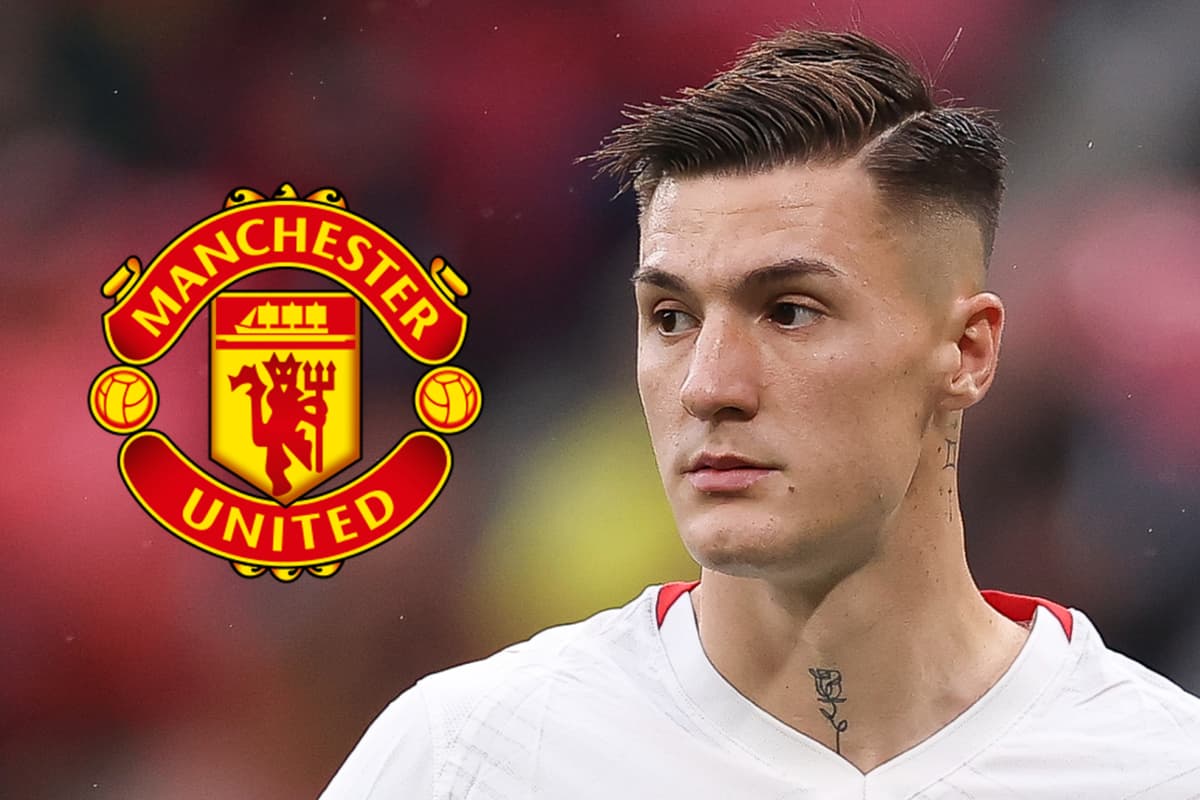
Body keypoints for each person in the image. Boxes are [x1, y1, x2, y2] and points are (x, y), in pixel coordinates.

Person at [320, 29, 1200, 798]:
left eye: (789, 312)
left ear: (967, 352)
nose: (708, 385)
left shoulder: (1160, 769)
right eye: (672, 318)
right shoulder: (467, 758)